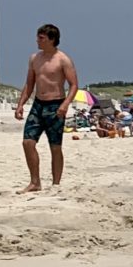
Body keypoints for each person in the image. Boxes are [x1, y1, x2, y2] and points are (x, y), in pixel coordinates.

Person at [15, 22, 79, 193]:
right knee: (27, 142)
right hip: (38, 104)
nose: (37, 40)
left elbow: (74, 85)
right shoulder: (34, 58)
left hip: (56, 104)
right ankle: (35, 182)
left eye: (41, 38)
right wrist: (20, 104)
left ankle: (56, 183)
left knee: (55, 146)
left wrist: (65, 105)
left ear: (51, 39)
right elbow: (29, 84)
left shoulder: (63, 59)